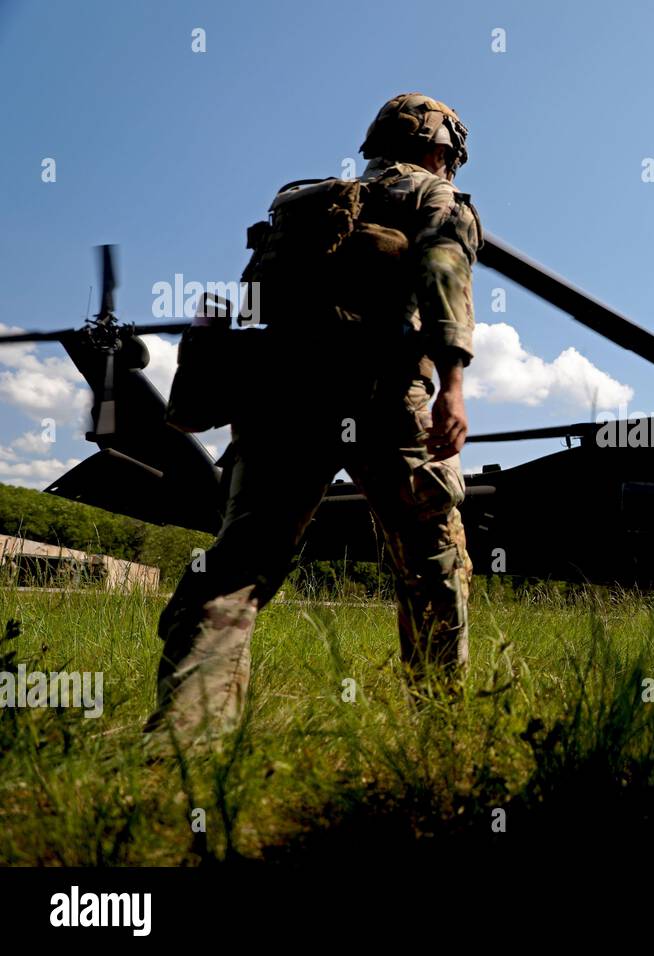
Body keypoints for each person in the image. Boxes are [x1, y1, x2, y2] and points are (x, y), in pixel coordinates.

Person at [144, 93, 482, 754]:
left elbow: (253, 303)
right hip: (385, 395)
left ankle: (184, 737)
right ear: (442, 151)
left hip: (279, 395)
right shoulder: (435, 198)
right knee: (432, 562)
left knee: (239, 565)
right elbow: (446, 269)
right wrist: (454, 385)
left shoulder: (305, 210)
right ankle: (441, 739)